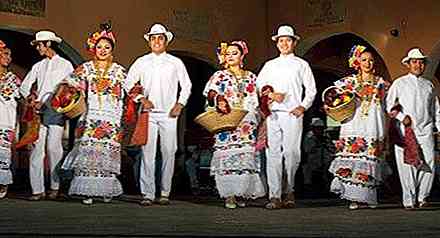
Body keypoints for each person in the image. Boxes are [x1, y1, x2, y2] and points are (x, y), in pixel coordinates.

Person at [126, 23, 192, 206]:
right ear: (149, 41)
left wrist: (180, 104)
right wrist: (141, 98)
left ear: (165, 41)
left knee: (169, 152)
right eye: (153, 38)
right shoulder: (141, 61)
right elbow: (128, 83)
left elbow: (186, 85)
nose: (156, 41)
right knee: (147, 153)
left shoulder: (175, 62)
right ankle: (147, 194)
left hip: (170, 114)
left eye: (160, 38)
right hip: (148, 113)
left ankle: (164, 192)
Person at [61, 22, 127, 205]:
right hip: (90, 116)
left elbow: (132, 89)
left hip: (112, 117)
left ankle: (106, 190)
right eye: (99, 47)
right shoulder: (86, 68)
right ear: (94, 48)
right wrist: (74, 90)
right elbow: (69, 83)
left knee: (107, 153)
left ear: (112, 49)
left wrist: (141, 99)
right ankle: (88, 191)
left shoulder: (119, 71)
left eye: (107, 47)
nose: (103, 50)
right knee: (89, 153)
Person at [256, 25, 317, 209]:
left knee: (292, 153)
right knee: (273, 153)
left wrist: (303, 106)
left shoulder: (301, 64)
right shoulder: (270, 65)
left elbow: (311, 89)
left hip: (292, 114)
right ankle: (274, 195)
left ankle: (289, 189)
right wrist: (271, 96)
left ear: (294, 42)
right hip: (273, 114)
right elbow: (259, 87)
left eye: (288, 40)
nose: (284, 43)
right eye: (281, 40)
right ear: (277, 43)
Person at [203, 40, 266, 209]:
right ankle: (229, 195)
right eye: (228, 53)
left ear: (242, 55)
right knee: (227, 155)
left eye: (234, 53)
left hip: (248, 124)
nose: (230, 56)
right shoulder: (219, 75)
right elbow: (210, 93)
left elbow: (259, 99)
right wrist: (219, 99)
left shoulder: (252, 76)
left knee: (245, 157)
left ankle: (241, 192)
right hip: (227, 121)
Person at [327, 45, 387, 210]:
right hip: (353, 125)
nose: (367, 63)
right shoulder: (349, 82)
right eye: (364, 60)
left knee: (369, 160)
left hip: (373, 125)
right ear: (357, 62)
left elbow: (388, 104)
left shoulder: (381, 83)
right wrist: (329, 106)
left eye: (370, 60)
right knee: (353, 161)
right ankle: (353, 197)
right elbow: (333, 98)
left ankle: (368, 197)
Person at [20, 30, 74, 201]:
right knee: (37, 149)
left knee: (53, 148)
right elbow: (25, 86)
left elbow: (72, 86)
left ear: (48, 44)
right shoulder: (38, 66)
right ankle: (37, 190)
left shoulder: (65, 65)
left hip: (56, 111)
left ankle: (55, 187)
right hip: (38, 111)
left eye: (39, 45)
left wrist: (61, 98)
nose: (37, 48)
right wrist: (31, 96)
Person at [386, 48, 440, 209]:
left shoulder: (429, 85)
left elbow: (436, 110)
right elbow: (389, 106)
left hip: (426, 130)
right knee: (407, 166)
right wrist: (402, 118)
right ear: (408, 64)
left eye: (421, 62)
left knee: (429, 163)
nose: (418, 65)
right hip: (405, 131)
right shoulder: (399, 83)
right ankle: (409, 199)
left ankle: (423, 197)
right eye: (414, 62)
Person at [0, 40, 21, 199]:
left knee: (3, 153)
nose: (9, 58)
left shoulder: (13, 79)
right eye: (6, 54)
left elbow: (23, 96)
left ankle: (3, 185)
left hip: (5, 121)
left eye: (10, 55)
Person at [302, 118, 333, 189]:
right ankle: (307, 184)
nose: (319, 130)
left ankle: (328, 184)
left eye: (321, 128)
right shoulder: (309, 136)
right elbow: (307, 149)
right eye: (317, 128)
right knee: (307, 168)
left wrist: (326, 143)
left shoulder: (326, 135)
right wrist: (317, 143)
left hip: (325, 158)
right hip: (313, 158)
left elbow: (331, 148)